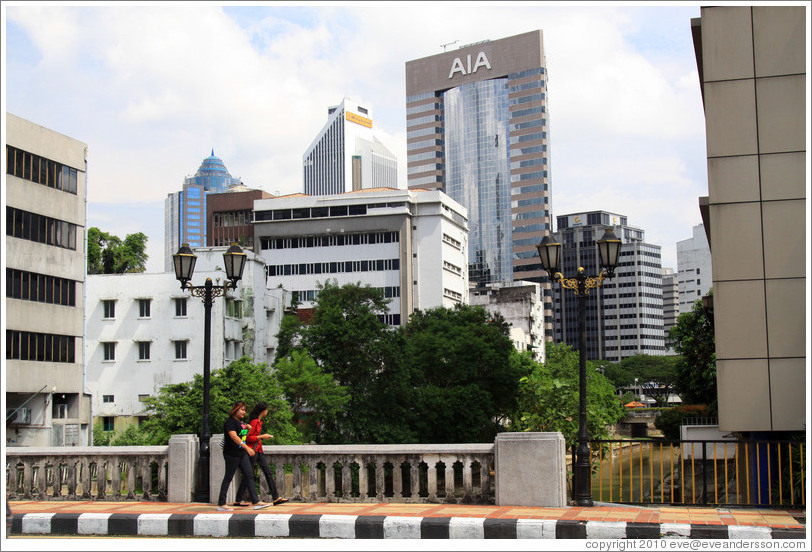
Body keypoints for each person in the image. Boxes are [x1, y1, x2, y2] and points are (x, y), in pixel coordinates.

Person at [216, 401, 271, 511]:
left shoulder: (241, 423)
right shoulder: (230, 422)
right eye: (241, 410)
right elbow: (234, 437)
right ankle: (222, 503)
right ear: (235, 410)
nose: (244, 412)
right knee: (228, 477)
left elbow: (243, 437)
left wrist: (248, 430)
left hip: (241, 453)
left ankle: (256, 502)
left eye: (245, 410)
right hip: (232, 454)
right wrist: (247, 448)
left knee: (249, 475)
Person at [234, 401, 289, 506]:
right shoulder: (254, 422)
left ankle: (276, 497)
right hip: (252, 451)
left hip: (258, 450)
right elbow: (246, 437)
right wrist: (262, 436)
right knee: (248, 475)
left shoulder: (258, 421)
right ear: (263, 411)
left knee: (267, 472)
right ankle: (238, 499)